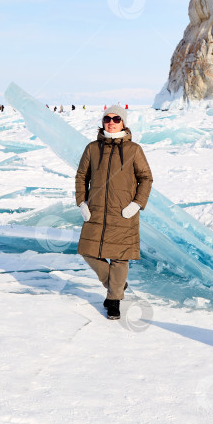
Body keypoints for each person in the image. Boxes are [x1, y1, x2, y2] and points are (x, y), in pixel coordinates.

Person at [75, 105, 153, 320]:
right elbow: (82, 176)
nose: (111, 122)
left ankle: (114, 300)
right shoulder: (92, 148)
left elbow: (145, 178)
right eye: (107, 118)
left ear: (123, 122)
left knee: (120, 258)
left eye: (116, 118)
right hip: (96, 209)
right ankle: (116, 285)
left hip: (123, 211)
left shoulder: (133, 149)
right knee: (88, 251)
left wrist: (137, 204)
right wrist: (82, 202)